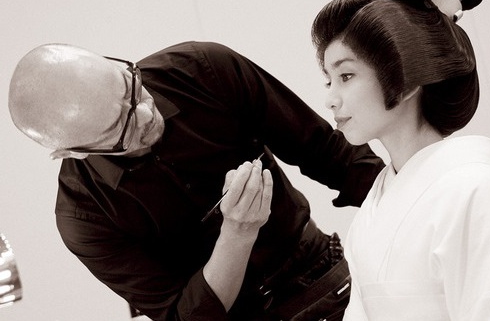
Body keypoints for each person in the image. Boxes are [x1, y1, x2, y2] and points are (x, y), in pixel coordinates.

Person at [8, 40, 383, 320]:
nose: (144, 113)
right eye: (119, 127)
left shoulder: (202, 69)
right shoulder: (84, 216)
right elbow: (186, 317)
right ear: (72, 151)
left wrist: (418, 198)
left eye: (130, 87)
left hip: (321, 268)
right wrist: (237, 233)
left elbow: (331, 155)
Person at [311, 0, 490, 319]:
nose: (331, 99)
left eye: (346, 75)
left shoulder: (473, 188)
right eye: (329, 81)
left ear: (405, 81)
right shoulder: (373, 212)